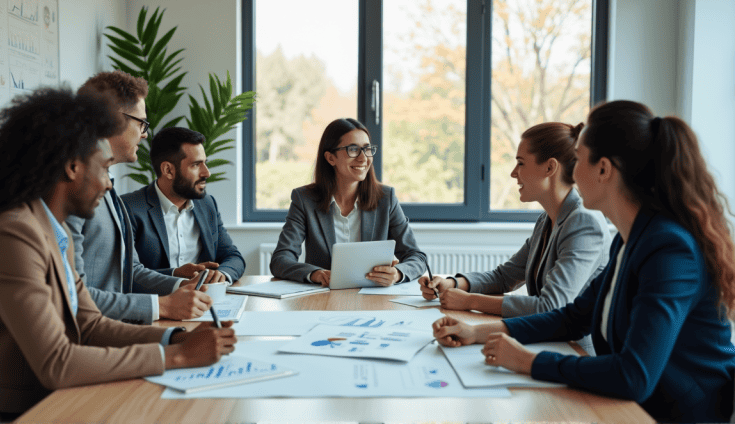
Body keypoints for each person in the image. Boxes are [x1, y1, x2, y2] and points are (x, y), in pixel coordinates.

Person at [432, 100, 735, 423]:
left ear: (603, 169)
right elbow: (574, 317)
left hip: (679, 415)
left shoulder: (670, 250)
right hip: (630, 407)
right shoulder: (629, 237)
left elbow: (634, 375)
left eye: (578, 160)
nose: (572, 173)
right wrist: (478, 332)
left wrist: (531, 362)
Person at [0, 88, 236, 421]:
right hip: (12, 412)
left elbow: (91, 324)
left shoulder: (54, 229)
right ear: (72, 167)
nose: (109, 185)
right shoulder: (13, 235)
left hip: (56, 398)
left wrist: (177, 337)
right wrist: (178, 357)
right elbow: (57, 363)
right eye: (104, 167)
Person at [420, 122, 611, 353]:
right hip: (547, 341)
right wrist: (453, 283)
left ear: (550, 168)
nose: (513, 173)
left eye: (520, 163)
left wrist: (470, 301)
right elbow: (504, 277)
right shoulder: (547, 220)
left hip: (575, 351)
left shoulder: (583, 222)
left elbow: (550, 306)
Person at [67, 71, 220, 325]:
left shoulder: (107, 185)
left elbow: (132, 271)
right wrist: (162, 306)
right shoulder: (73, 189)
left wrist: (184, 286)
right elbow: (74, 295)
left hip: (114, 329)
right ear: (114, 120)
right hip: (92, 336)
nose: (145, 134)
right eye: (142, 124)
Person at [270, 118, 426, 286]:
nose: (363, 158)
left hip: (373, 297)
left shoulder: (385, 198)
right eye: (353, 149)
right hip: (323, 298)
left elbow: (417, 257)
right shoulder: (304, 199)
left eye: (367, 149)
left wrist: (397, 274)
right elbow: (280, 260)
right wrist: (315, 274)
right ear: (331, 158)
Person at [121, 127, 245, 283]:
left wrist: (222, 274)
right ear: (168, 170)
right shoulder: (128, 208)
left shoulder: (207, 205)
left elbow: (233, 257)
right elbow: (126, 273)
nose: (206, 173)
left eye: (205, 163)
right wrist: (175, 274)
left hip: (206, 299)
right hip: (158, 303)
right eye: (195, 165)